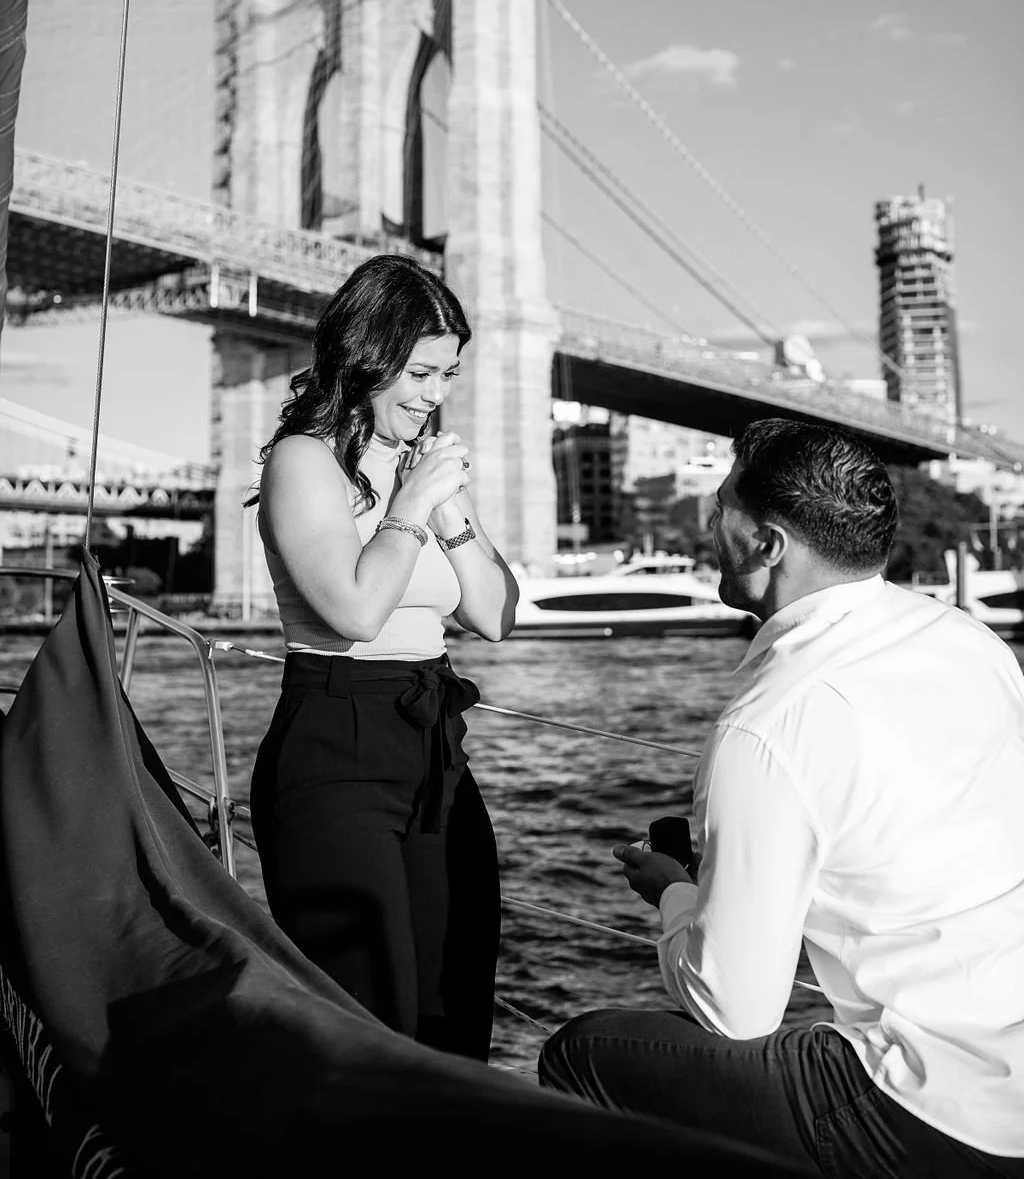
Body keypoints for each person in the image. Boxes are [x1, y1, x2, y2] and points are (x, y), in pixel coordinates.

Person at [539, 418, 1024, 1176]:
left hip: (935, 1111)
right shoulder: (972, 642)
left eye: (722, 502)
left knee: (583, 1053)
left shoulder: (768, 724)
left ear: (768, 545)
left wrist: (673, 896)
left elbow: (735, 1011)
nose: (708, 520)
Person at [249, 253, 519, 1061]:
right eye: (421, 372)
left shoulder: (420, 469)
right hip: (337, 739)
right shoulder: (306, 459)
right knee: (373, 1018)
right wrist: (408, 505)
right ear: (369, 355)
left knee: (453, 1007)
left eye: (449, 375)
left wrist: (455, 511)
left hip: (433, 746)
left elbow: (496, 617)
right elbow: (356, 609)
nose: (436, 396)